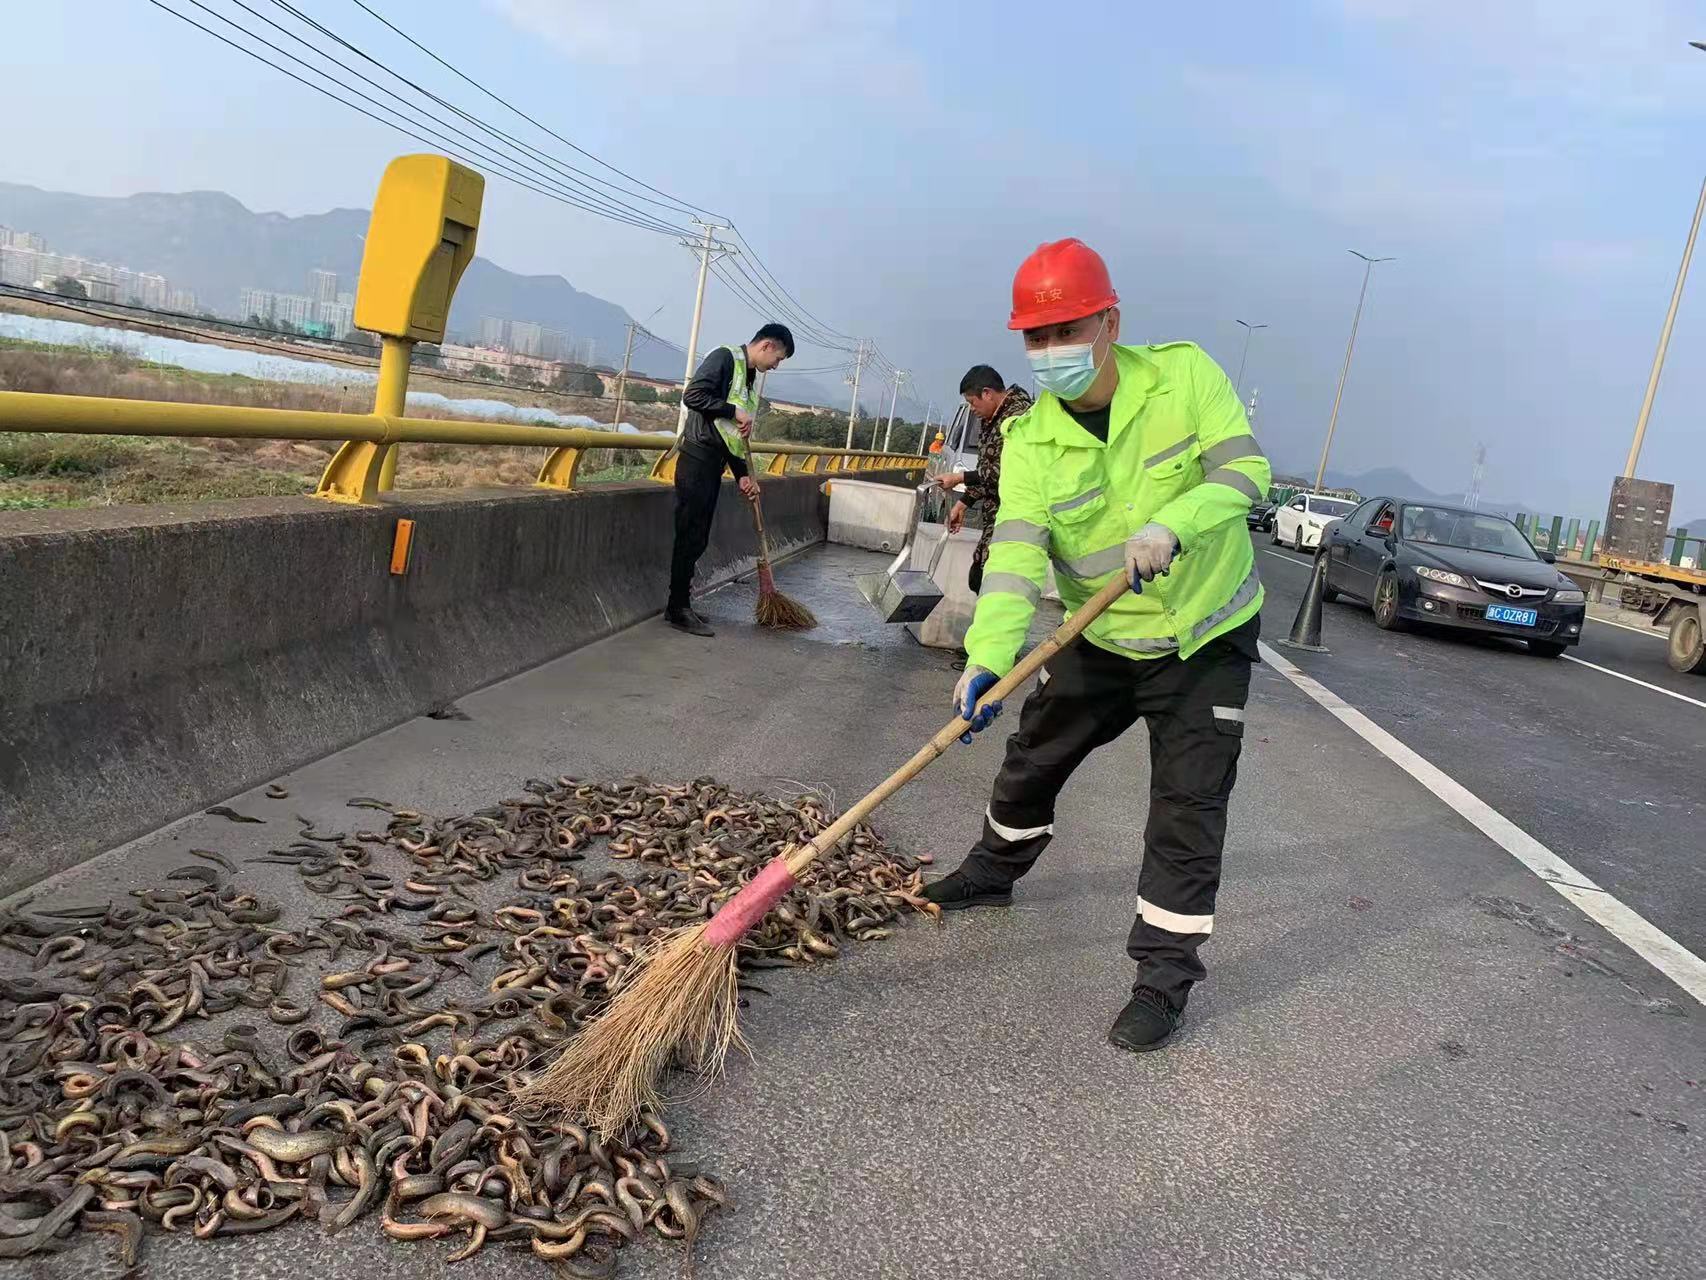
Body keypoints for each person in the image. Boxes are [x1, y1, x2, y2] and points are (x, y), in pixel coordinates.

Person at [924, 239, 1271, 1054]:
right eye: (1036, 340)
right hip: (1104, 634)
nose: (1051, 354)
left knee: (1188, 807)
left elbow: (1246, 471)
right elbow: (1014, 558)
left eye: (1066, 331)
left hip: (1203, 635)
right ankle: (991, 872)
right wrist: (989, 660)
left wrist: (1174, 524)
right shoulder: (1035, 440)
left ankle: (1163, 978)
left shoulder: (1186, 376)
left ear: (1110, 321)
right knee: (1035, 754)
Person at [666, 323, 795, 636]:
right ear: (766, 345)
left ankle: (682, 603)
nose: (775, 366)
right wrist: (730, 409)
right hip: (696, 459)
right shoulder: (724, 358)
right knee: (690, 534)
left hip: (715, 463)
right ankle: (677, 608)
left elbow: (732, 437)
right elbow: (693, 395)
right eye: (777, 358)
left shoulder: (747, 379)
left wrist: (742, 475)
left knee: (698, 536)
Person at [933, 366, 1032, 593]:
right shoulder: (993, 417)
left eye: (972, 402)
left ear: (987, 393)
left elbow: (1007, 471)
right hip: (994, 514)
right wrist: (964, 502)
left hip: (1014, 517)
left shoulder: (1019, 419)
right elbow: (986, 468)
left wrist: (959, 477)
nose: (972, 409)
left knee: (993, 580)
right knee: (979, 575)